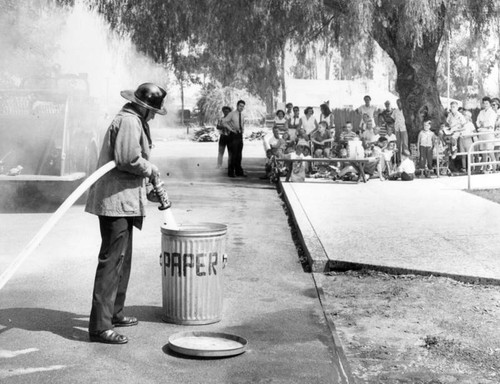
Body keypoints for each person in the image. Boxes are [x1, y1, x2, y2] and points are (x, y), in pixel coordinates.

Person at [85, 83, 167, 344]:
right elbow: (128, 159)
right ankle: (100, 327)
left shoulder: (134, 120)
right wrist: (151, 169)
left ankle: (115, 313)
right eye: (153, 111)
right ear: (143, 107)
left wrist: (147, 191)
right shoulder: (130, 121)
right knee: (111, 263)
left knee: (123, 259)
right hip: (115, 203)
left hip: (125, 201)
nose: (154, 116)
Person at [222, 99, 247, 177]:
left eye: (243, 106)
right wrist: (230, 129)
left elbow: (242, 124)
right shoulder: (232, 114)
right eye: (240, 106)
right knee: (233, 154)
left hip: (239, 135)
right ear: (237, 106)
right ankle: (231, 172)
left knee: (239, 154)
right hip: (233, 135)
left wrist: (242, 130)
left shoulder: (242, 115)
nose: (241, 108)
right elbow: (224, 121)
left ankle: (239, 171)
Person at [475, 96, 497, 173]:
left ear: (490, 104)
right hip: (481, 133)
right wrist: (482, 123)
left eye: (487, 103)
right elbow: (477, 123)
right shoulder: (481, 112)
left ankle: (494, 169)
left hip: (489, 133)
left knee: (490, 151)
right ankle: (484, 169)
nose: (485, 105)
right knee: (483, 152)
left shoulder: (492, 113)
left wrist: (483, 123)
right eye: (484, 103)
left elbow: (490, 123)